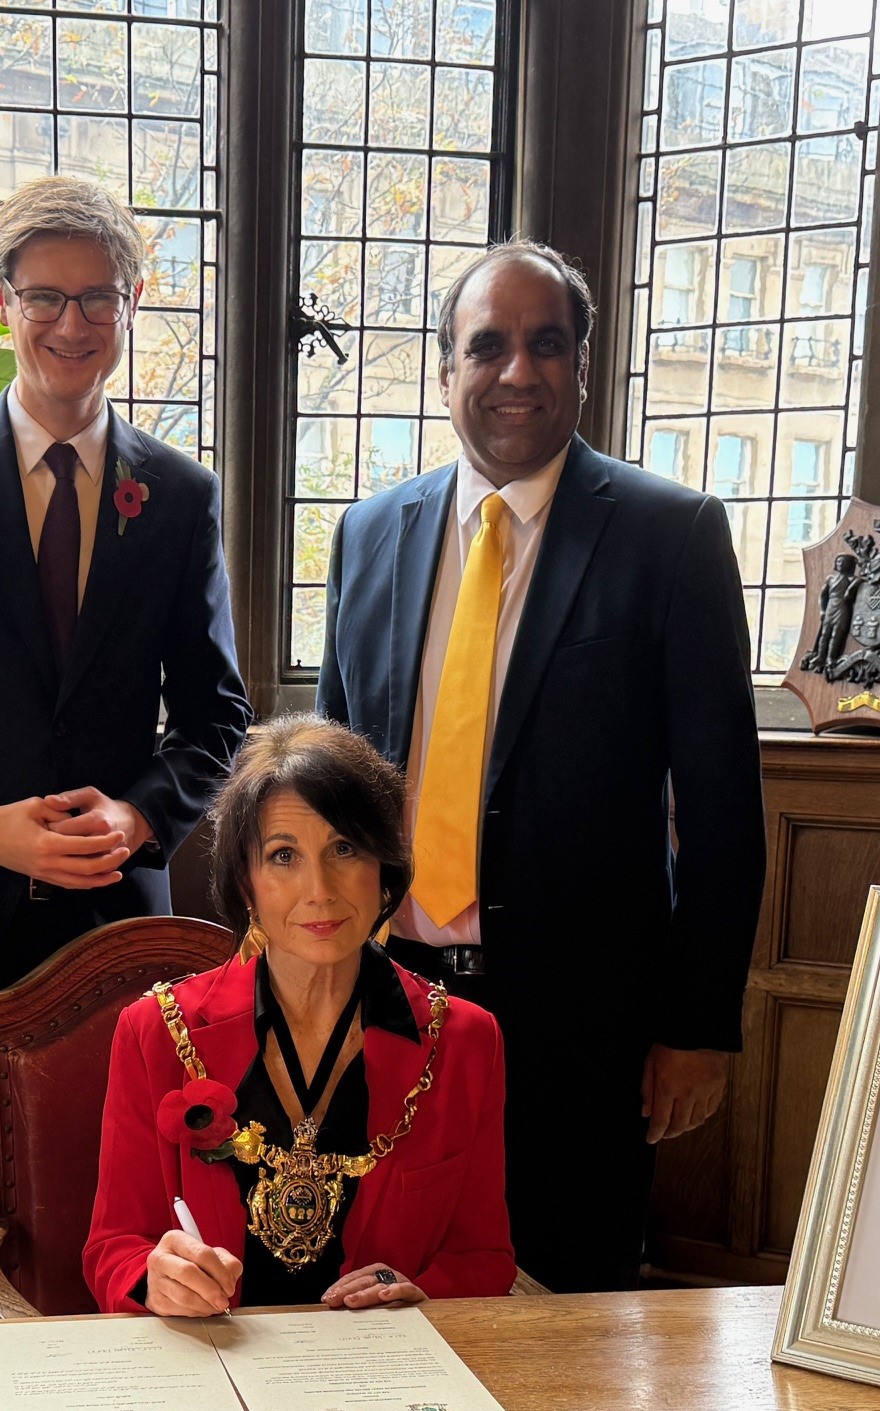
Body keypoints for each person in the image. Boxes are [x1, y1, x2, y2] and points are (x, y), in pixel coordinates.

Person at [317, 238, 766, 1293]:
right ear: (444, 372)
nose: (516, 371)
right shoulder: (367, 532)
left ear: (579, 363)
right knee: (369, 1290)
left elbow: (719, 809)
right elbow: (330, 783)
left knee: (569, 1316)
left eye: (545, 344)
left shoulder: (671, 534)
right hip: (391, 1002)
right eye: (487, 347)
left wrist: (695, 1026)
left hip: (581, 1030)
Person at [0, 175, 249, 1322]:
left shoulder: (177, 494)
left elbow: (217, 714)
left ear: (128, 307)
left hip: (117, 930)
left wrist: (138, 816)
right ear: (2, 304)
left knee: (115, 1227)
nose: (72, 325)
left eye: (99, 298)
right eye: (45, 297)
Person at [85, 714, 515, 1316]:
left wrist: (424, 1294)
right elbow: (113, 1249)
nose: (320, 889)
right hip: (212, 1368)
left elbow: (484, 1257)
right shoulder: (155, 1030)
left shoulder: (466, 1039)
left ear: (384, 868)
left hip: (383, 1376)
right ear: (246, 880)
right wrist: (152, 1280)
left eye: (345, 848)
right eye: (283, 855)